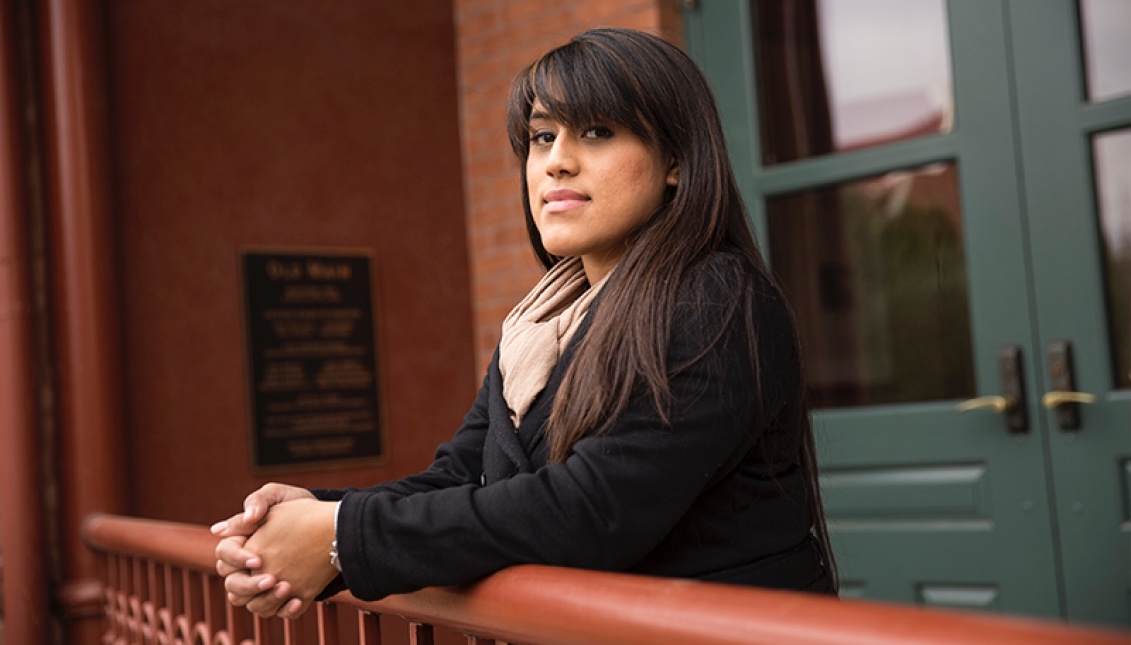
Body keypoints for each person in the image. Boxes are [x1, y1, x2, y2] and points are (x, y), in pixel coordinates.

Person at [212, 27, 838, 618]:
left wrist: (338, 539)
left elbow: (592, 510)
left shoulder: (718, 298)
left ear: (675, 160)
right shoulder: (541, 320)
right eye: (543, 137)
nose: (556, 162)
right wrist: (320, 516)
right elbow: (461, 476)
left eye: (596, 132)